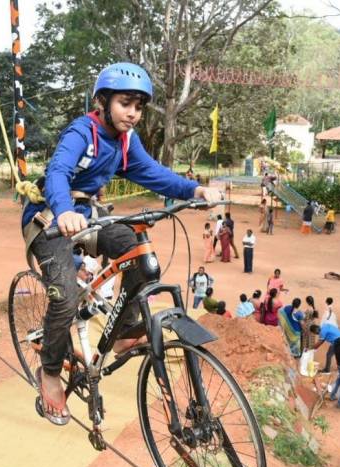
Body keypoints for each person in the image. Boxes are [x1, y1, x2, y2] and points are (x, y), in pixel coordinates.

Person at [19, 62, 219, 426]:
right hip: (50, 216)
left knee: (141, 257)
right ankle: (49, 371)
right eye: (126, 103)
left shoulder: (126, 141)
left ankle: (126, 332)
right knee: (63, 295)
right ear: (103, 101)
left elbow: (153, 173)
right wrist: (64, 211)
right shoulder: (83, 132)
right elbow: (57, 173)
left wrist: (194, 189)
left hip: (88, 214)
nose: (133, 113)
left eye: (139, 107)